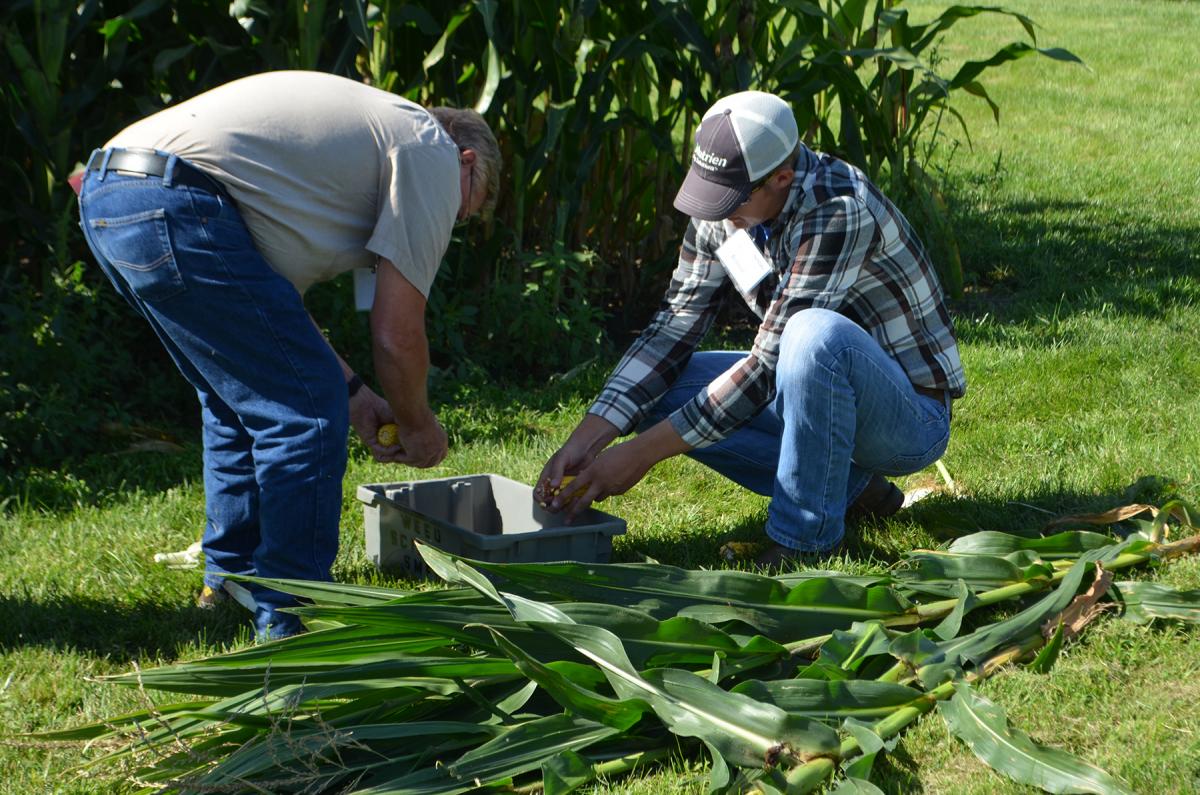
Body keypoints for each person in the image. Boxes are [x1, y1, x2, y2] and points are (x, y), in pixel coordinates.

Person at [77, 70, 501, 639]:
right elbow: (397, 334)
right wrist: (419, 426)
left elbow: (278, 326)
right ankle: (291, 619)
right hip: (176, 200)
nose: (451, 223)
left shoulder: (339, 161)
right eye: (464, 211)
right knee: (303, 416)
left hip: (111, 196)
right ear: (467, 161)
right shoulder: (430, 148)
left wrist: (356, 396)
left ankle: (229, 582)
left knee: (237, 402)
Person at [538, 90, 965, 568]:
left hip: (907, 417)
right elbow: (672, 329)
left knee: (811, 337)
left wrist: (639, 454)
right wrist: (589, 437)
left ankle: (804, 540)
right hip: (804, 379)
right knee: (657, 388)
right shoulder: (724, 203)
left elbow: (769, 364)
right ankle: (853, 489)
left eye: (729, 201)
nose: (715, 213)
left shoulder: (838, 209)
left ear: (782, 178)